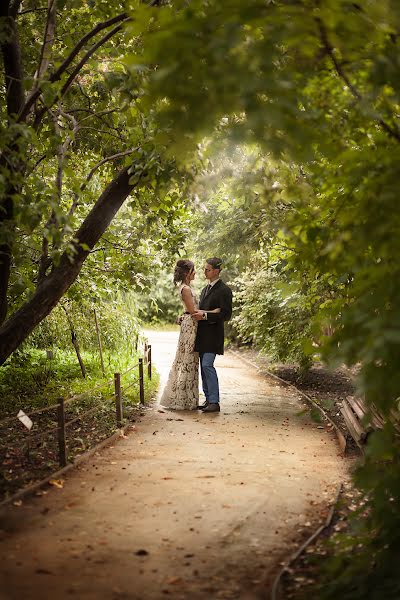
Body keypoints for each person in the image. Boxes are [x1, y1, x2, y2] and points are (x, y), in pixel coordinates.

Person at [160, 259, 221, 410]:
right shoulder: (186, 289)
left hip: (193, 325)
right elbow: (193, 312)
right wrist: (212, 312)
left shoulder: (188, 287)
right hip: (191, 327)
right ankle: (183, 398)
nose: (196, 273)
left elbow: (189, 310)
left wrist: (184, 315)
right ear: (188, 273)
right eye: (193, 271)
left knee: (191, 361)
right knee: (187, 360)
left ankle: (190, 398)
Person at [192, 257, 233, 413]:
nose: (204, 271)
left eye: (208, 269)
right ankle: (209, 399)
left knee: (207, 365)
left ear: (216, 271)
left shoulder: (224, 290)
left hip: (214, 335)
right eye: (204, 268)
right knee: (203, 368)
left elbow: (226, 314)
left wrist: (206, 316)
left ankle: (214, 402)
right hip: (202, 335)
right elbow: (201, 310)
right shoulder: (205, 289)